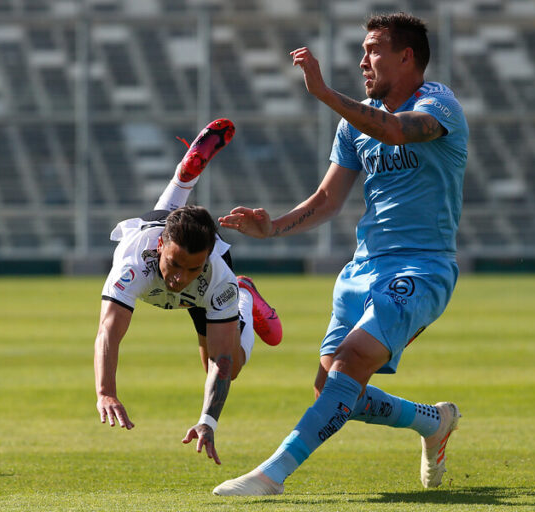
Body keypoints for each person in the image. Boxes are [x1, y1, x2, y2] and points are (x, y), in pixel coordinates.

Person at [213, 12, 468, 495]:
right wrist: (272, 229)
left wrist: (327, 94)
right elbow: (327, 201)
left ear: (406, 56)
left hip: (422, 266)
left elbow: (396, 130)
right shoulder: (353, 127)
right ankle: (432, 422)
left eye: (373, 49)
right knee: (330, 391)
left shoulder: (440, 105)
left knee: (350, 361)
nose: (362, 60)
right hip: (363, 267)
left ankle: (272, 476)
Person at [95, 118, 283, 466]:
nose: (179, 278)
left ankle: (246, 294)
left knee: (229, 365)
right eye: (175, 264)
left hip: (206, 292)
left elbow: (223, 362)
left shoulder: (216, 277)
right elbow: (109, 330)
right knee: (169, 217)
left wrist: (207, 421)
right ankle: (184, 175)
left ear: (206, 260)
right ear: (162, 245)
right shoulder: (133, 263)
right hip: (154, 227)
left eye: (191, 268)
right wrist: (106, 391)